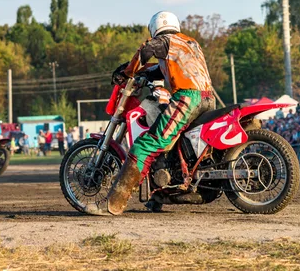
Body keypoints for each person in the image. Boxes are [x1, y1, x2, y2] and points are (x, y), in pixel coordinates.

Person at [86, 11, 215, 216]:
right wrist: (143, 72)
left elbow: (146, 50)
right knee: (173, 142)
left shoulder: (165, 40)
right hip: (207, 99)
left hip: (188, 98)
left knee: (145, 144)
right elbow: (160, 69)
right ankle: (160, 195)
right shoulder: (188, 43)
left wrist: (127, 72)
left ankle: (113, 204)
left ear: (154, 29)